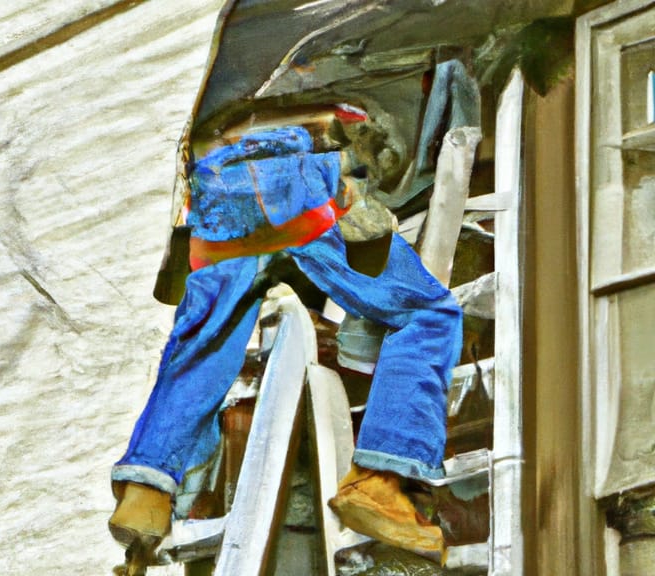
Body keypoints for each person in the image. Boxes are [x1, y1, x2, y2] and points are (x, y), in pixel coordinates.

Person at [109, 124, 462, 563]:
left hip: (215, 195)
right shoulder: (346, 126)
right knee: (428, 313)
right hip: (299, 192)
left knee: (205, 347)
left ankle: (147, 488)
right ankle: (381, 479)